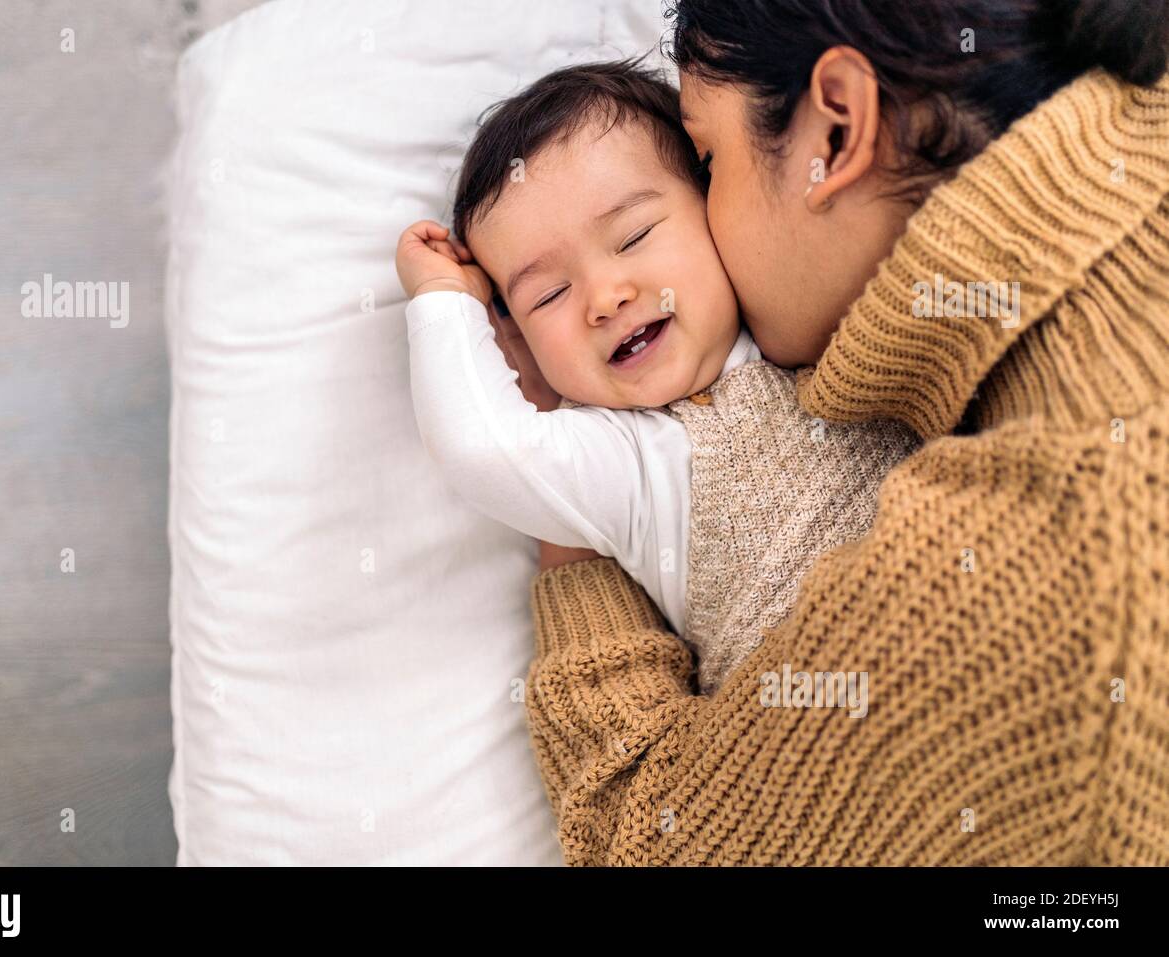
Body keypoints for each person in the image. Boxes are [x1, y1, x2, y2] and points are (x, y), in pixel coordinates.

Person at [513, 0, 1169, 864]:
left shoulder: (1051, 572)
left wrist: (569, 506)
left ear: (837, 130)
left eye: (708, 164)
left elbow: (640, 833)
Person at [394, 60, 915, 691]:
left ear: (713, 202)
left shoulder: (804, 318)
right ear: (518, 339)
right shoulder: (622, 458)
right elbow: (483, 448)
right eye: (550, 295)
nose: (605, 298)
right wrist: (447, 298)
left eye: (634, 235)